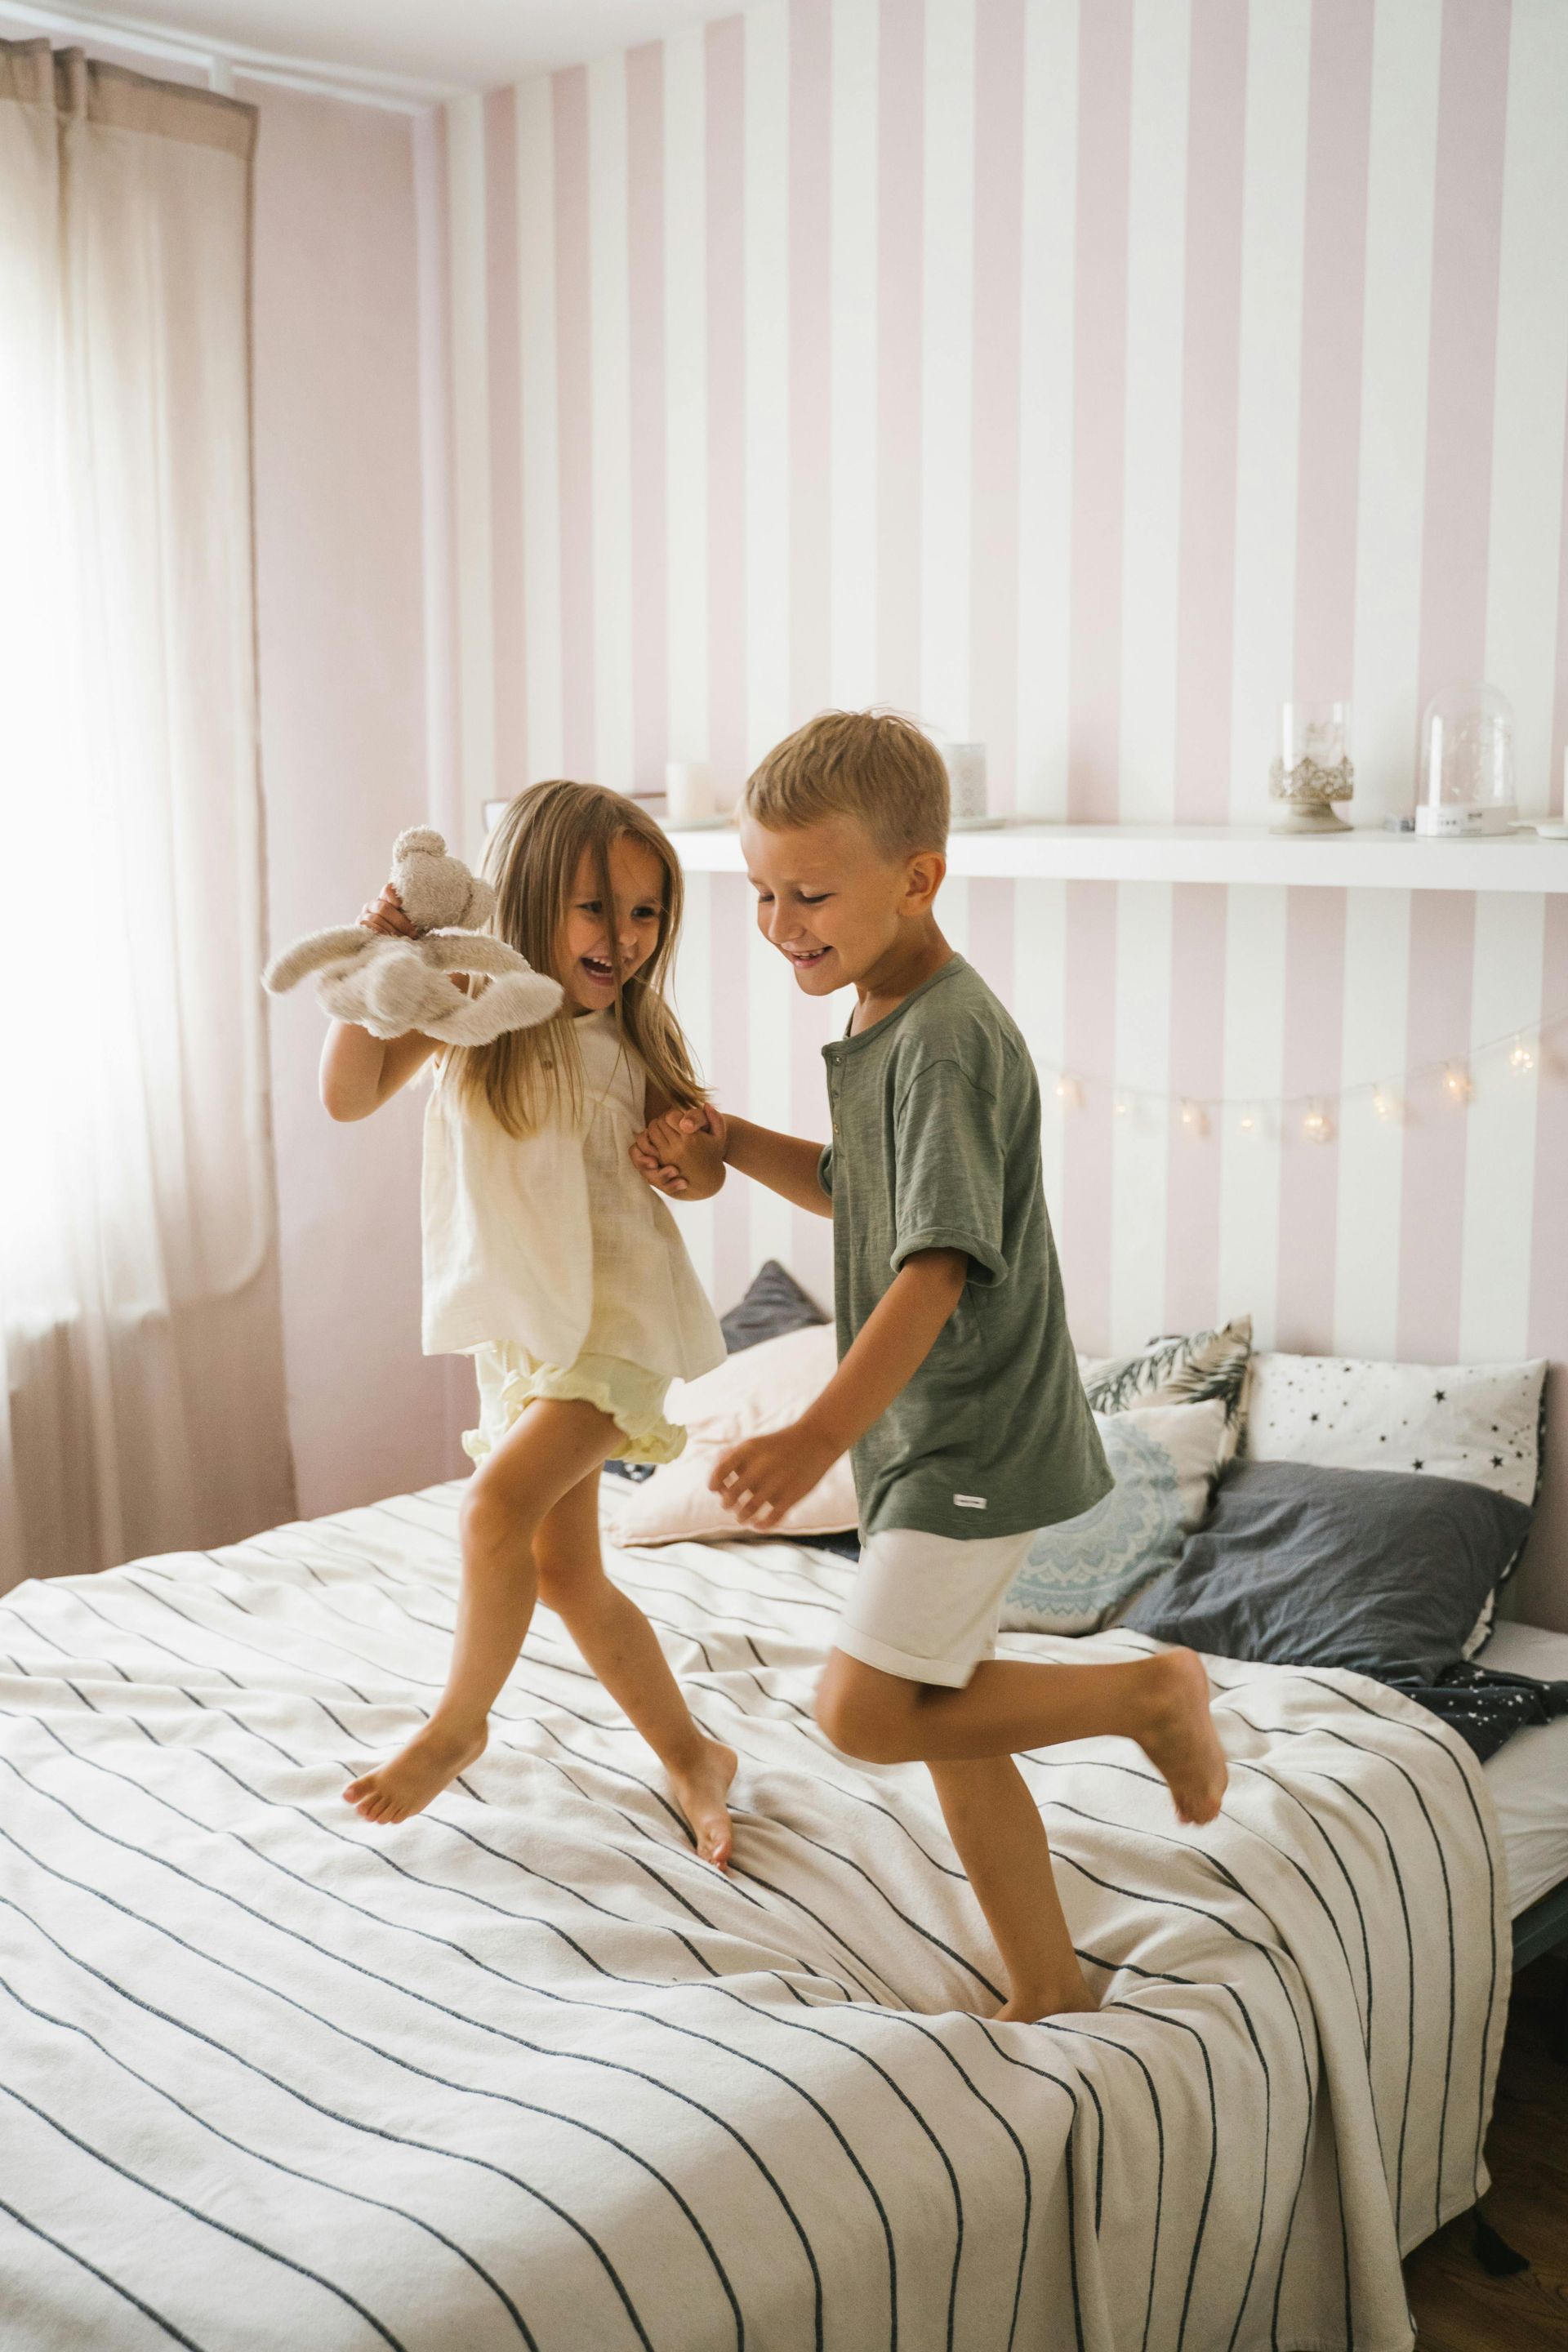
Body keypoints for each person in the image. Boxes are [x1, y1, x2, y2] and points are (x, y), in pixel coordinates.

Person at [633, 710, 1227, 2017]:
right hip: (935, 1438)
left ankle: (1149, 1689)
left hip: (964, 1436)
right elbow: (870, 1193)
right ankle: (1048, 1987)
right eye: (763, 894)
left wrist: (816, 1434)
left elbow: (932, 1267)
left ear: (918, 878)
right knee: (952, 1720)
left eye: (812, 892)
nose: (784, 922)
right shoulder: (887, 1009)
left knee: (862, 1713)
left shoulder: (948, 1037)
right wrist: (731, 1141)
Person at [320, 781, 737, 1860]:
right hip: (527, 1333)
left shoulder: (637, 1038)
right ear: (536, 895)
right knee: (565, 1573)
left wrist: (688, 1163)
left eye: (648, 913)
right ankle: (695, 1756)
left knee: (492, 1510)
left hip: (618, 1323)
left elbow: (696, 1171)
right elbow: (350, 1090)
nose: (627, 937)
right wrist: (379, 961)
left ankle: (460, 1724)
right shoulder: (470, 1009)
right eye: (599, 908)